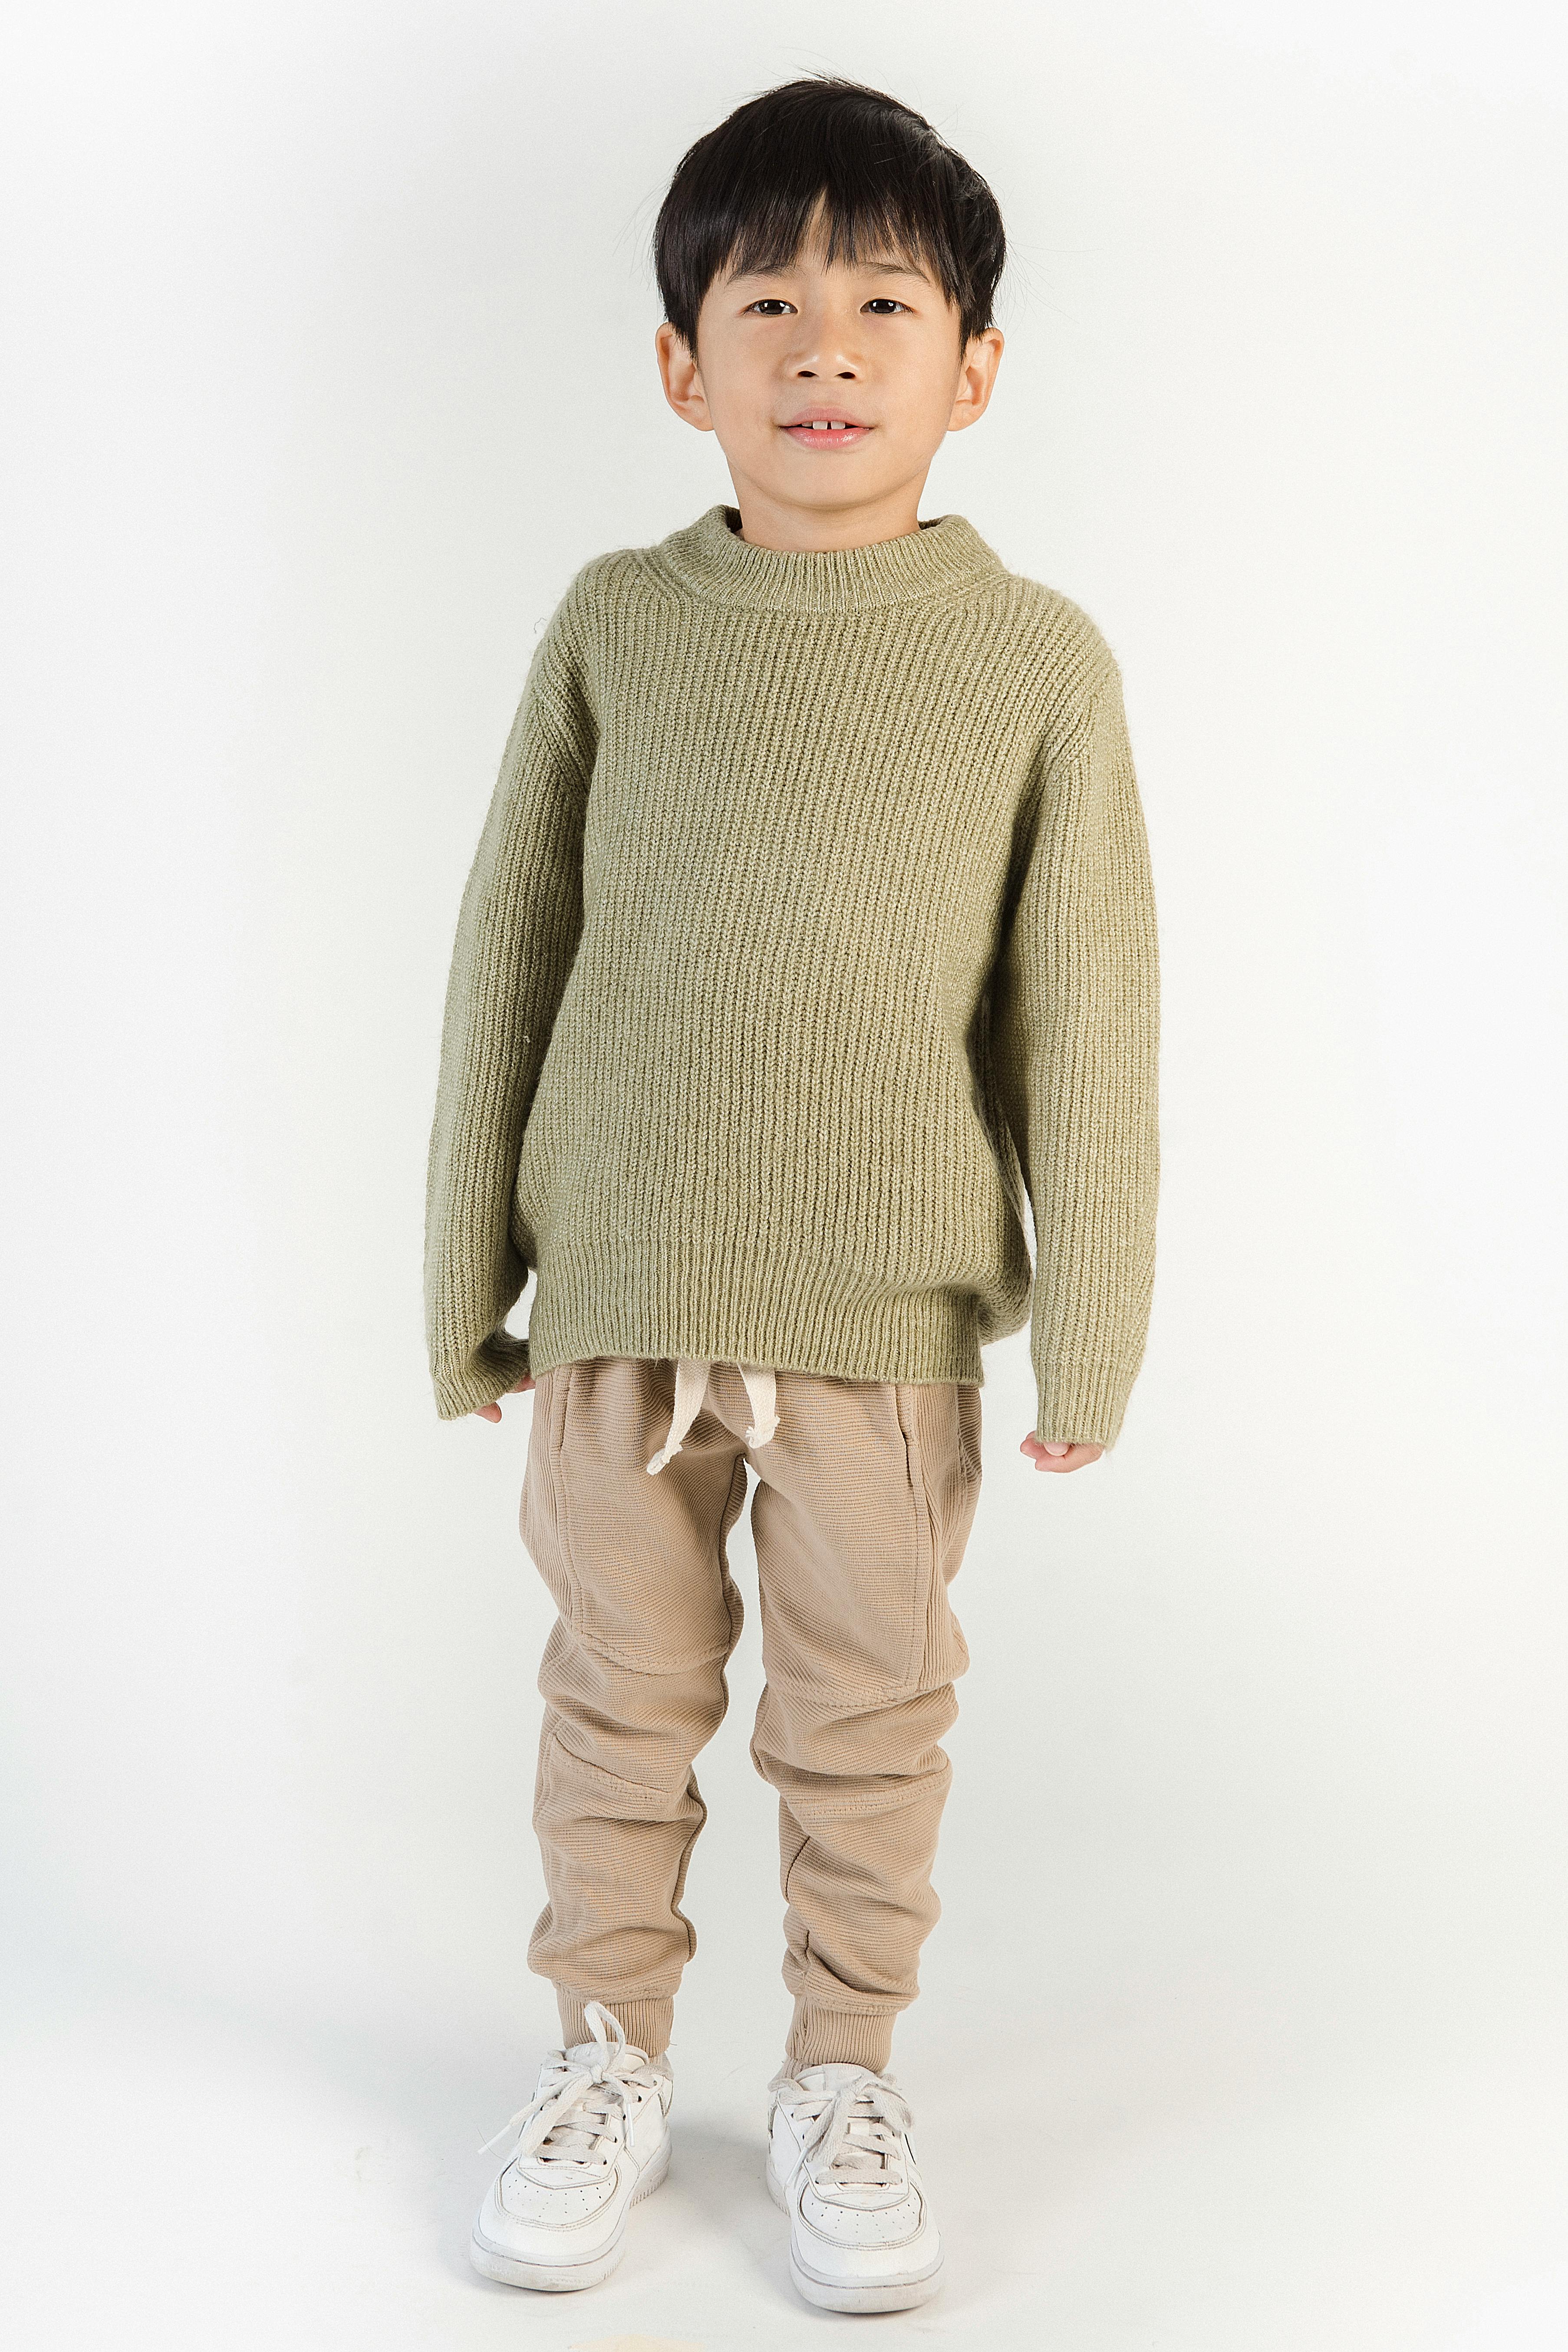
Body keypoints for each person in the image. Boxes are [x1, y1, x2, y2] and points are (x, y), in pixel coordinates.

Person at [424, 72, 1160, 2316]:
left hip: (886, 1320)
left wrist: (1099, 1313)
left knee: (864, 1716)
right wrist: (469, 1269)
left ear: (977, 366)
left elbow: (1090, 1005)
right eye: (769, 303)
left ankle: (843, 2070)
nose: (823, 348)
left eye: (882, 299)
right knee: (616, 1702)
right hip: (625, 1294)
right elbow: (507, 952)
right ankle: (608, 2052)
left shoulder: (1036, 663)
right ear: (685, 368)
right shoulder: (614, 627)